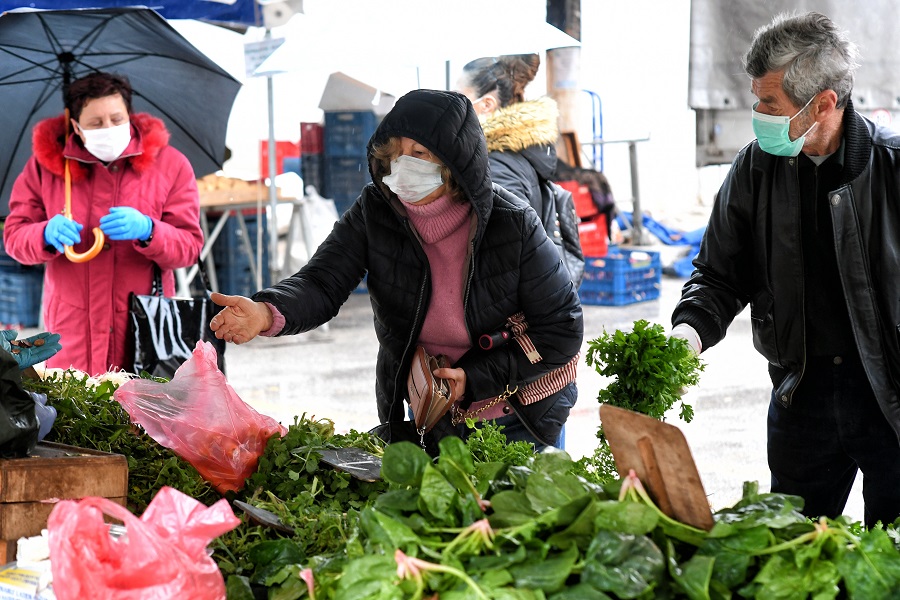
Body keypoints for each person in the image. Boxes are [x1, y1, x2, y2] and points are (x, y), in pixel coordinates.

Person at [210, 89, 583, 449]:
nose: (404, 165)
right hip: (429, 406)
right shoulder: (376, 210)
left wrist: (473, 378)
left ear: (455, 163)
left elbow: (562, 328)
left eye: (419, 153)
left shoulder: (512, 223)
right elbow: (324, 281)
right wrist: (265, 312)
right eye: (396, 152)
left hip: (513, 411)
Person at [671, 12, 900, 528]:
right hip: (802, 393)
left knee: (888, 557)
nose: (757, 114)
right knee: (795, 545)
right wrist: (687, 335)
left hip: (890, 397)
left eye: (769, 103)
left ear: (823, 104)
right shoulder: (756, 168)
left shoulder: (893, 167)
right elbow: (719, 273)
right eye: (756, 99)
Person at [3, 72, 204, 375]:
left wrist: (151, 231)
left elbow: (188, 247)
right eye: (96, 123)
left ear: (129, 116)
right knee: (77, 416)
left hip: (143, 329)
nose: (108, 128)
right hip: (71, 332)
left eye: (116, 118)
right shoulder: (47, 168)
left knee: (141, 417)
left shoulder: (170, 164)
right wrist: (43, 233)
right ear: (76, 127)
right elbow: (16, 238)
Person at [456, 54, 585, 287]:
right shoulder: (518, 152)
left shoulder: (494, 166)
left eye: (459, 99)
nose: (453, 109)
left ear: (486, 105)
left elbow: (506, 254)